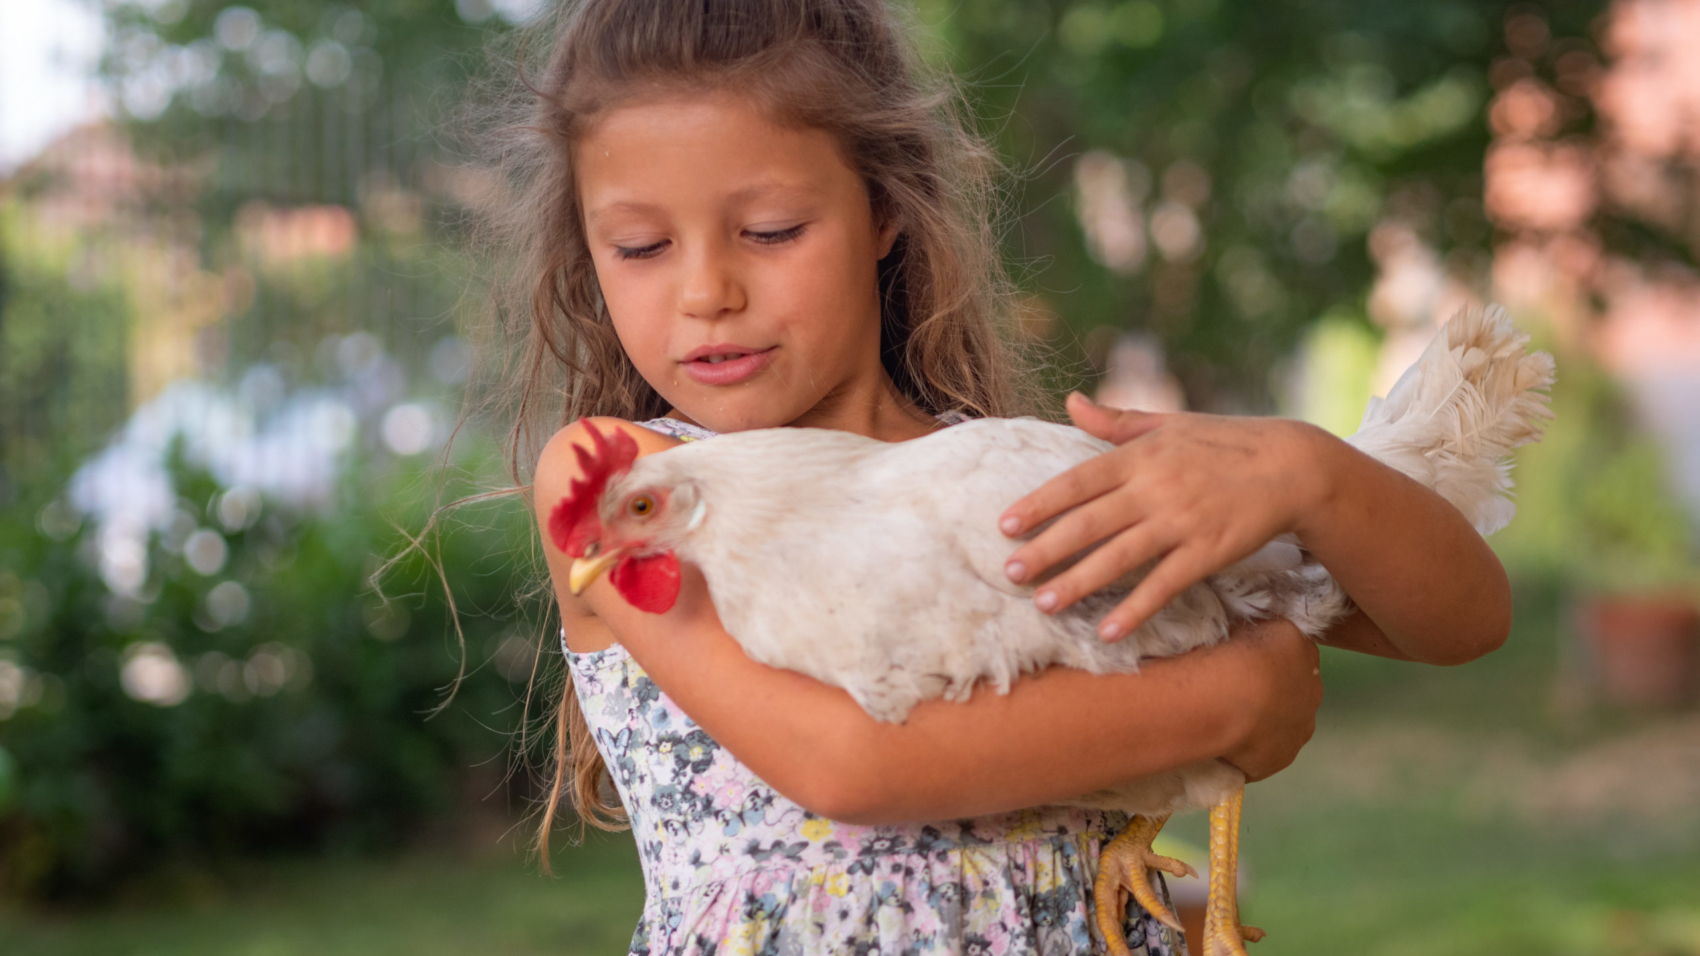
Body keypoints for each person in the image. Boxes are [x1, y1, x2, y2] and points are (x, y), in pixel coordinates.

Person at [475, 1, 1512, 953]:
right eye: (641, 245)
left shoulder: (1000, 483)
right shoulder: (630, 485)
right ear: (587, 257)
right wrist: (1233, 694)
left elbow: (1454, 622)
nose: (706, 290)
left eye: (771, 231)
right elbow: (849, 767)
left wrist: (1310, 474)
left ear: (884, 210)